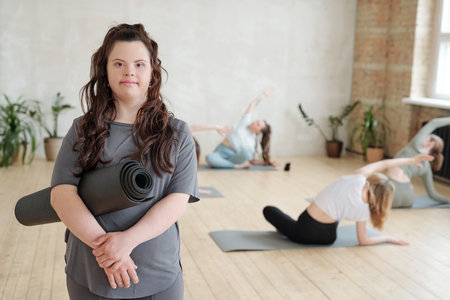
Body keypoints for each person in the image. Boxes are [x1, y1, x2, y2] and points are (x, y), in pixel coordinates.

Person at [50, 23, 198, 300]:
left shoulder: (177, 133)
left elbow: (178, 199)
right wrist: (109, 252)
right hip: (90, 272)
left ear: (152, 73)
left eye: (139, 64)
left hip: (156, 274)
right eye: (119, 63)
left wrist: (127, 242)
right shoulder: (81, 128)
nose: (129, 71)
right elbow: (61, 194)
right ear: (105, 71)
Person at [263, 155, 433, 246]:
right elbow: (363, 240)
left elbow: (383, 164)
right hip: (328, 239)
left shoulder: (357, 178)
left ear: (372, 181)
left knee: (269, 210)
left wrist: (411, 160)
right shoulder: (365, 211)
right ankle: (287, 229)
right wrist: (387, 238)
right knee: (337, 211)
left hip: (303, 231)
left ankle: (287, 230)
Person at [386, 117, 450, 207]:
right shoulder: (427, 167)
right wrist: (447, 201)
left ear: (431, 143)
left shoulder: (415, 145)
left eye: (426, 137)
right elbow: (432, 194)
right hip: (408, 199)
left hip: (391, 195)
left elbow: (434, 122)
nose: (423, 137)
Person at [205, 88, 275, 169]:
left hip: (233, 157)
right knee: (209, 158)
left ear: (259, 131)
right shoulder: (244, 124)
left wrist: (267, 163)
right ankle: (235, 166)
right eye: (257, 121)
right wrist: (263, 95)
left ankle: (224, 164)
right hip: (221, 151)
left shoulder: (251, 142)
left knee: (248, 154)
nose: (255, 122)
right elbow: (252, 104)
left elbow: (250, 159)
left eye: (258, 124)